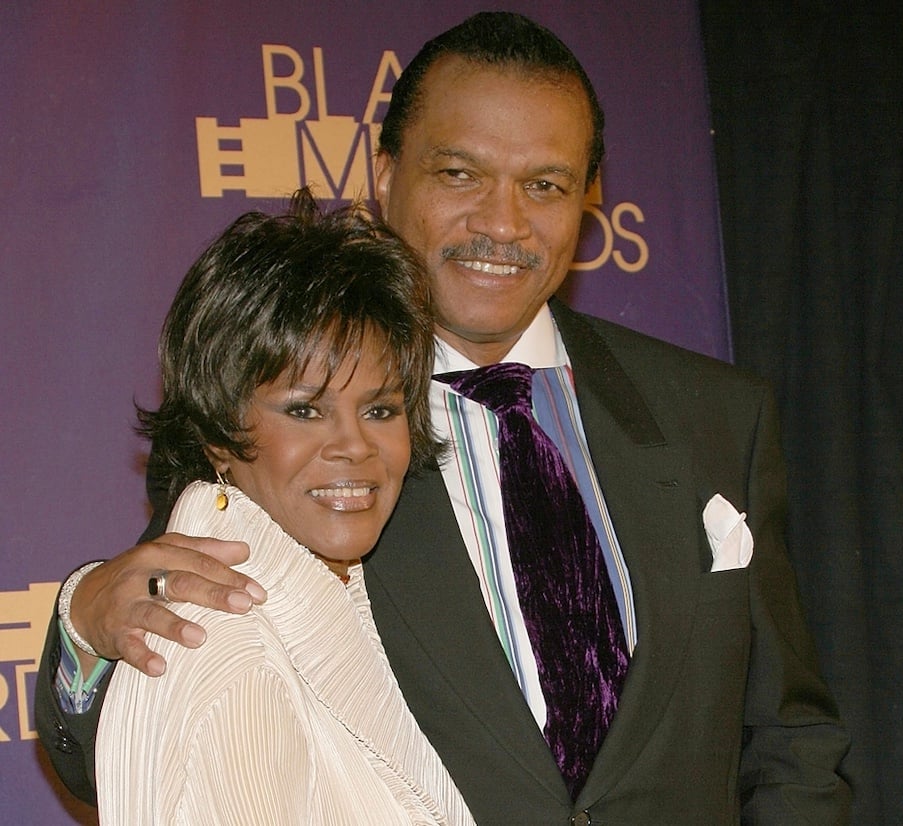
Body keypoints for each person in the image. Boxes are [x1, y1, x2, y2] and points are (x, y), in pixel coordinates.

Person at [37, 12, 852, 824]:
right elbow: (162, 733)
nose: (503, 223)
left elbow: (789, 738)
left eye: (545, 184)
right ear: (386, 179)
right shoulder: (291, 439)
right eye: (461, 174)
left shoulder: (717, 415)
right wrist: (84, 625)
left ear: (586, 202)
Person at [80, 191, 475, 824]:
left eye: (380, 409)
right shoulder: (223, 647)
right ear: (217, 430)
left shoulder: (350, 594)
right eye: (304, 410)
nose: (355, 446)